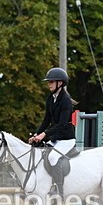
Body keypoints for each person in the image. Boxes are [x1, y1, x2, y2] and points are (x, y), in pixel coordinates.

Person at [28, 67, 76, 196]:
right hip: (55, 139)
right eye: (48, 82)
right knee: (40, 154)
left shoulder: (65, 100)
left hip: (66, 140)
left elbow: (61, 124)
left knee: (53, 157)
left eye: (51, 82)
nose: (48, 84)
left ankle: (58, 190)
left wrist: (44, 134)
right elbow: (46, 120)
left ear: (60, 83)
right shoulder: (51, 98)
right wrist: (36, 134)